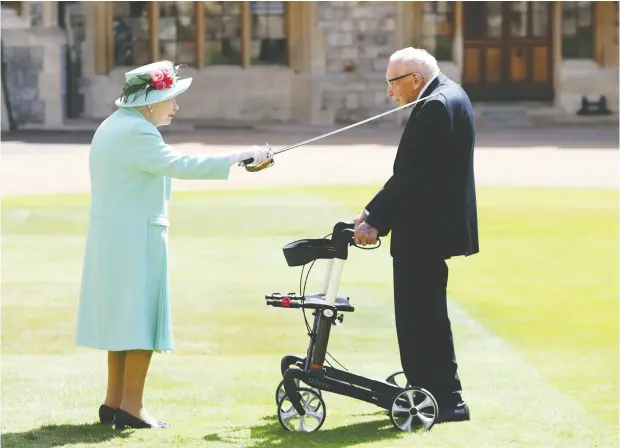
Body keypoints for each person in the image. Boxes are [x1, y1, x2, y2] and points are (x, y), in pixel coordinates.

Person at [74, 60, 273, 430]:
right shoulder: (137, 132)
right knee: (141, 321)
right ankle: (132, 407)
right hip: (135, 238)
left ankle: (114, 401)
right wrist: (238, 156)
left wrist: (239, 159)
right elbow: (179, 164)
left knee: (124, 320)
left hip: (117, 238)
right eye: (170, 99)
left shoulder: (114, 125)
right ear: (149, 102)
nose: (175, 107)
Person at [353, 47, 478, 424]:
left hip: (423, 230)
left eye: (392, 84)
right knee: (427, 315)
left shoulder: (436, 106)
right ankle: (437, 391)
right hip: (431, 227)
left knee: (418, 317)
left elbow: (413, 176)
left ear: (415, 81)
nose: (390, 93)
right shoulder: (451, 93)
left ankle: (440, 396)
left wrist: (373, 217)